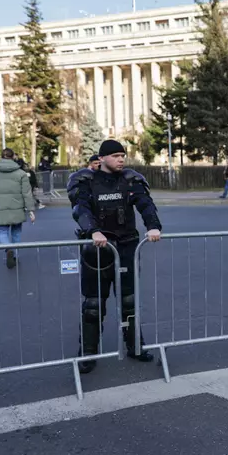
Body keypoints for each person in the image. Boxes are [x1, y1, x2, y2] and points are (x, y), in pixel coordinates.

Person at [67, 139, 162, 374]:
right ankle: (87, 354)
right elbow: (80, 208)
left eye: (123, 155)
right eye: (116, 155)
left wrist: (154, 226)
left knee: (129, 301)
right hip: (97, 250)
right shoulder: (86, 181)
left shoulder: (130, 180)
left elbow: (146, 205)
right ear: (102, 158)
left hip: (127, 247)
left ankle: (135, 347)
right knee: (93, 304)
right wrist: (93, 230)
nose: (121, 159)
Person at [0, 148, 36, 269]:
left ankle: (8, 250)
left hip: (0, 206)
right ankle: (15, 254)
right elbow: (27, 193)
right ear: (13, 157)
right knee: (16, 232)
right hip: (17, 207)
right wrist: (31, 210)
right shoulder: (21, 173)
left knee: (2, 231)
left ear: (1, 157)